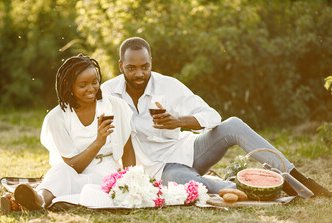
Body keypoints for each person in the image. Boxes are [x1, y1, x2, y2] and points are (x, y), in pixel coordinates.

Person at [101, 36, 332, 197]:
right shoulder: (108, 93)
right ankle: (259, 185)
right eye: (132, 68)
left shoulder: (168, 85)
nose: (139, 73)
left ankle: (298, 180)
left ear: (151, 63)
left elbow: (212, 115)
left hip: (188, 151)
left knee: (233, 124)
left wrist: (179, 121)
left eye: (145, 66)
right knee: (191, 184)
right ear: (121, 65)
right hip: (160, 170)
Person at [5, 54, 136, 211]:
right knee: (60, 171)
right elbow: (74, 166)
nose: (91, 89)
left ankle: (22, 203)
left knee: (81, 185)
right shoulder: (57, 118)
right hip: (73, 169)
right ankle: (38, 200)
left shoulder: (115, 106)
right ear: (69, 85)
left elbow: (127, 149)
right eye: (83, 85)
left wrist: (130, 181)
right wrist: (98, 142)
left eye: (95, 82)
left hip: (105, 171)